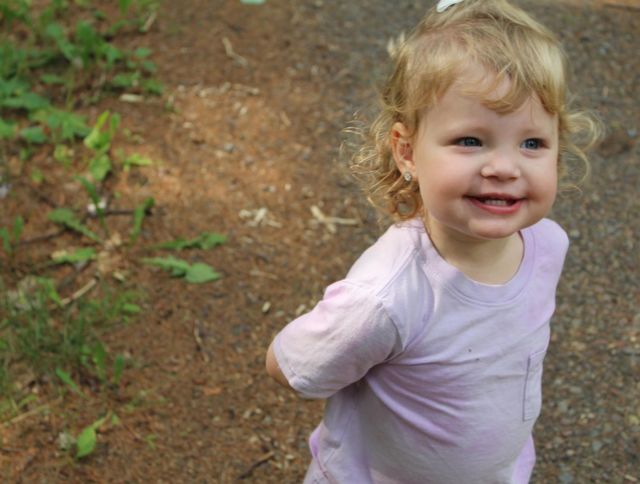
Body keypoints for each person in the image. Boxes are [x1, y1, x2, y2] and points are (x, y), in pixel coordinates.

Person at [265, 0, 601, 482]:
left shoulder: (547, 244)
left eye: (532, 143)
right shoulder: (386, 296)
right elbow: (291, 365)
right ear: (407, 152)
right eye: (471, 140)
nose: (504, 167)